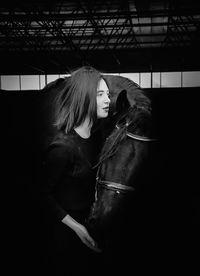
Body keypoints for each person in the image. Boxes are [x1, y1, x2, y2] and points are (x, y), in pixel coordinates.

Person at [41, 66, 111, 275]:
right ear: (84, 97)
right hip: (66, 235)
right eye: (100, 94)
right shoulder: (63, 147)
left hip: (93, 226)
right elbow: (40, 194)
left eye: (108, 94)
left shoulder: (99, 137)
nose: (107, 100)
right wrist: (77, 228)